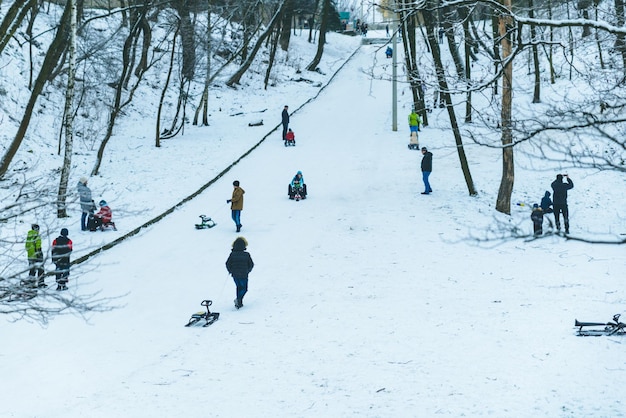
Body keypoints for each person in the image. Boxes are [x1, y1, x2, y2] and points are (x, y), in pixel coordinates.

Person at [225, 236, 254, 309]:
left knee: (238, 287)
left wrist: (230, 271)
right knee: (244, 288)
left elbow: (227, 263)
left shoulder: (232, 254)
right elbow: (251, 264)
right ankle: (239, 300)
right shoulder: (246, 254)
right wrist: (248, 270)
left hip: (235, 274)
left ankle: (239, 302)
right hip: (244, 274)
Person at [25, 224, 45, 288]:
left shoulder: (29, 236)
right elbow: (38, 246)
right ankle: (41, 283)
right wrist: (39, 254)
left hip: (30, 256)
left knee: (32, 270)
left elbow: (26, 246)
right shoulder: (37, 236)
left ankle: (31, 284)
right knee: (41, 269)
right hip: (37, 255)